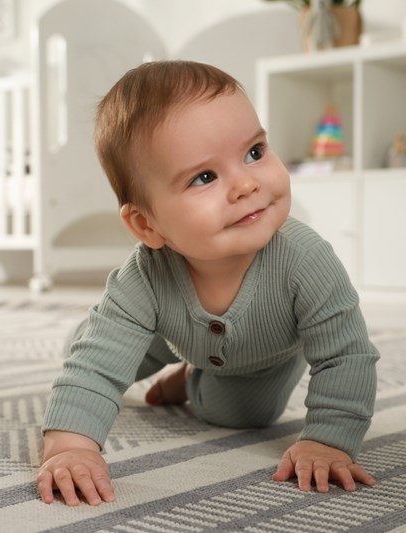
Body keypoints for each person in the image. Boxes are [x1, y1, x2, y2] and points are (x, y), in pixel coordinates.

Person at [37, 60, 380, 507]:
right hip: (169, 330)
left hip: (264, 356)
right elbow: (95, 369)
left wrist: (328, 440)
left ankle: (189, 380)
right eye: (205, 177)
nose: (244, 184)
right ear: (147, 225)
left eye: (254, 152)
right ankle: (160, 356)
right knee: (87, 351)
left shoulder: (305, 260)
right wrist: (70, 448)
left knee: (237, 414)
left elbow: (346, 355)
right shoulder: (145, 275)